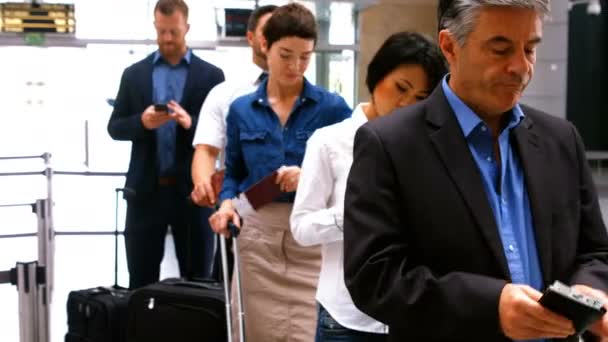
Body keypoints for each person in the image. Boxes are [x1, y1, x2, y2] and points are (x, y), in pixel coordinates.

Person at [343, 0, 608, 341]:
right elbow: (374, 276)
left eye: (529, 49)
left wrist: (591, 290)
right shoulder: (390, 144)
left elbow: (595, 252)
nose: (521, 67)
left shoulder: (560, 139)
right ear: (449, 46)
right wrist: (490, 305)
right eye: (500, 50)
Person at [290, 31, 447, 342]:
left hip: (412, 315)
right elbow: (302, 228)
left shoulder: (429, 148)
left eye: (419, 98)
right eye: (400, 87)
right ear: (377, 76)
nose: (405, 103)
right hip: (347, 318)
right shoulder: (329, 142)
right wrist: (356, 214)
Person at [209, 3, 352, 341]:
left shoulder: (332, 108)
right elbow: (233, 174)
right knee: (257, 331)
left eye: (305, 56)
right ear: (265, 48)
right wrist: (227, 203)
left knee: (308, 330)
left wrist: (310, 176)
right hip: (258, 234)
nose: (296, 66)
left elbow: (354, 171)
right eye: (286, 54)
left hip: (312, 236)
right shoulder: (242, 110)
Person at [107, 0, 224, 289]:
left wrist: (190, 123)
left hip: (193, 195)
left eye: (173, 32)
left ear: (187, 28)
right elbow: (115, 127)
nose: (167, 39)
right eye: (161, 32)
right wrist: (142, 123)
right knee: (141, 281)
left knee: (198, 282)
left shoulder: (211, 76)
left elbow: (222, 132)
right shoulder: (134, 74)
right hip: (146, 193)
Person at [190, 4, 277, 208]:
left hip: (296, 209)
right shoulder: (224, 93)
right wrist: (204, 184)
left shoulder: (312, 98)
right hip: (242, 208)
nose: (274, 38)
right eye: (268, 32)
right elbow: (206, 150)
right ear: (250, 38)